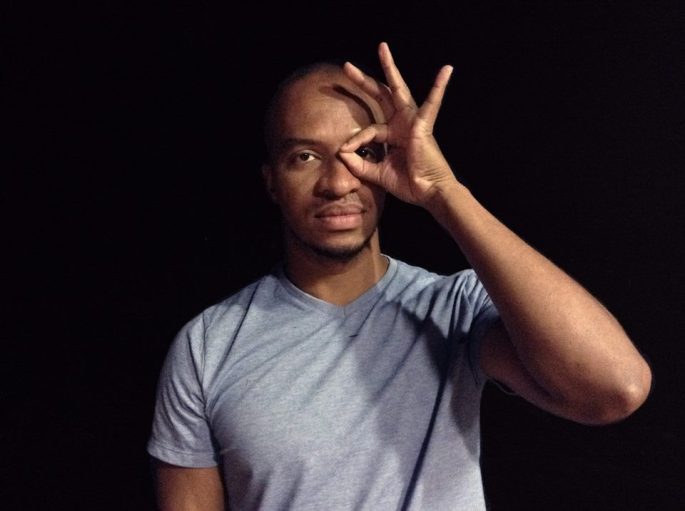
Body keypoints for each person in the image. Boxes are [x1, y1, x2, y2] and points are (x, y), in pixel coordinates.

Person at [147, 42, 652, 510]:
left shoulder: (453, 310)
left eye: (363, 152)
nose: (338, 182)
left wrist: (441, 190)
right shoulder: (207, 347)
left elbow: (616, 387)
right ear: (272, 182)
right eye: (305, 157)